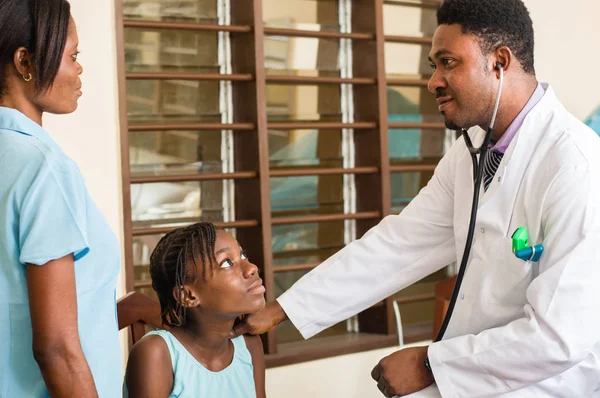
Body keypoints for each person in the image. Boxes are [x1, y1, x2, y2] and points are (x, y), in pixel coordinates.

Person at [231, 0, 600, 396]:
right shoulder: (472, 151)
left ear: (500, 61)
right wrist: (283, 309)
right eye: (433, 65)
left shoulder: (576, 166)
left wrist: (429, 365)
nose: (433, 81)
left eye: (448, 62)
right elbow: (399, 245)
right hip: (478, 378)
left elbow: (560, 336)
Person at [0, 0, 122, 397]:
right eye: (73, 55)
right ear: (25, 62)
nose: (79, 67)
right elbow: (56, 348)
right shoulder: (43, 168)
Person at [125, 222, 266, 398]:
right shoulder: (156, 353)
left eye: (243, 255)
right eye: (226, 263)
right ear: (188, 296)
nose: (251, 268)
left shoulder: (249, 345)